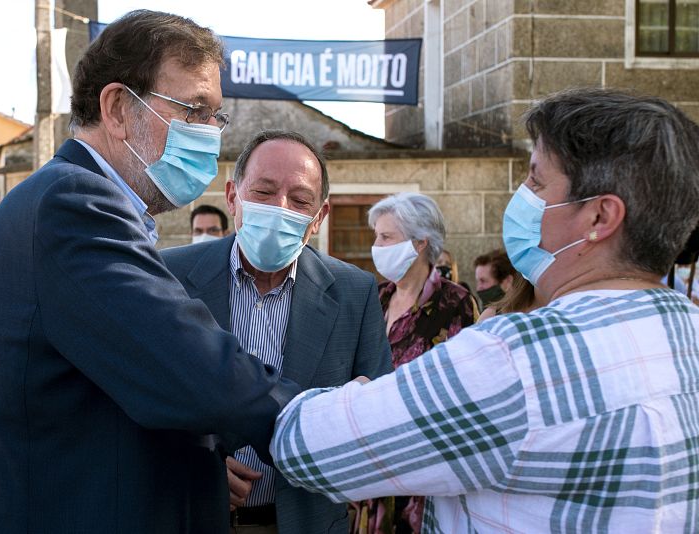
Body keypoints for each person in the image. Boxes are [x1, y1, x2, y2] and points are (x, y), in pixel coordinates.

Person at [270, 88, 699, 532]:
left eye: (536, 181)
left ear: (599, 218)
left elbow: (306, 448)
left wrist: (345, 396)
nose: (521, 196)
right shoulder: (687, 332)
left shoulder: (517, 360)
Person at [0, 11, 300, 534]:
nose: (211, 133)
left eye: (216, 116)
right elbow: (187, 369)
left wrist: (201, 466)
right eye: (195, 110)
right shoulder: (73, 203)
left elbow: (117, 390)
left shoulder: (73, 201)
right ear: (117, 108)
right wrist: (323, 419)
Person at [162, 130, 392, 534]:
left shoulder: (354, 291)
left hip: (307, 522)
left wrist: (353, 410)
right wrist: (192, 465)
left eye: (300, 200)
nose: (279, 209)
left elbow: (379, 414)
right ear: (232, 196)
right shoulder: (170, 275)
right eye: (264, 192)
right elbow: (134, 397)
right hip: (188, 514)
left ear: (319, 216)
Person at [352, 193, 476, 533]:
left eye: (386, 237)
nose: (376, 246)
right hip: (369, 470)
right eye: (376, 236)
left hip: (424, 476)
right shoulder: (375, 297)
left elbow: (464, 388)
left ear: (420, 243)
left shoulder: (455, 303)